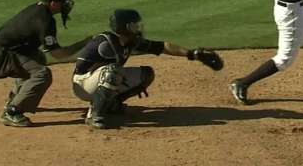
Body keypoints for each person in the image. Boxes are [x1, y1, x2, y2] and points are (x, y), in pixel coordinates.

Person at [72, 9, 224, 129]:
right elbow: (81, 67)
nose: (138, 28)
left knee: (146, 74)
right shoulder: (105, 44)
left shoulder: (129, 41)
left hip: (99, 79)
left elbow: (161, 46)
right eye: (134, 25)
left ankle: (111, 104)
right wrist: (103, 81)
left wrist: (192, 54)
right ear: (124, 27)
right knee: (112, 72)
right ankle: (95, 114)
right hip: (83, 84)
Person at [0, 0, 89, 127]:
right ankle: (12, 112)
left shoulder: (38, 9)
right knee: (42, 74)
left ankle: (17, 99)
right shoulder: (45, 21)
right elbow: (58, 54)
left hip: (1, 50)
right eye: (64, 2)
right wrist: (84, 43)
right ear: (53, 3)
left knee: (37, 57)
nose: (67, 5)